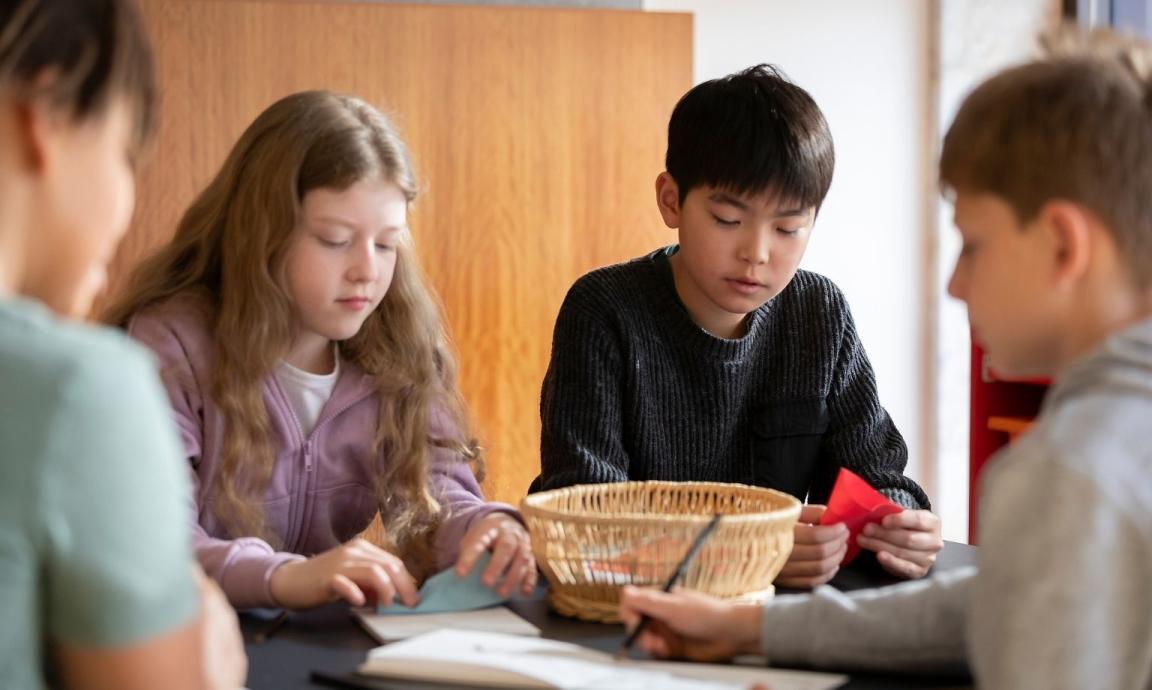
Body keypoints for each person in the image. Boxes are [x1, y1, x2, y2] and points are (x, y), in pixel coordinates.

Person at [619, 28, 1152, 690]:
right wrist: (746, 632)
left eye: (973, 245)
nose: (955, 283)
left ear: (1063, 246)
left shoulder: (1071, 472)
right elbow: (993, 609)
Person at [104, 90, 536, 611]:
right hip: (190, 634)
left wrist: (484, 525)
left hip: (320, 643)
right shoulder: (171, 345)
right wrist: (287, 578)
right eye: (335, 239)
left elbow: (436, 490)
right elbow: (151, 540)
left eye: (386, 243)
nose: (367, 270)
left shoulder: (395, 345)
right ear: (260, 233)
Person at [533, 64, 942, 588]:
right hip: (626, 617)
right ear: (671, 200)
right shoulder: (605, 311)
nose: (758, 253)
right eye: (728, 221)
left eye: (789, 228)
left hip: (775, 623)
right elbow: (584, 511)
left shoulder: (818, 312)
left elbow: (874, 475)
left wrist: (900, 524)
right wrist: (748, 548)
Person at [0, 0, 245, 688]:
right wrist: (211, 669)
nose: (126, 197)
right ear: (46, 114)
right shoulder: (81, 388)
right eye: (125, 153)